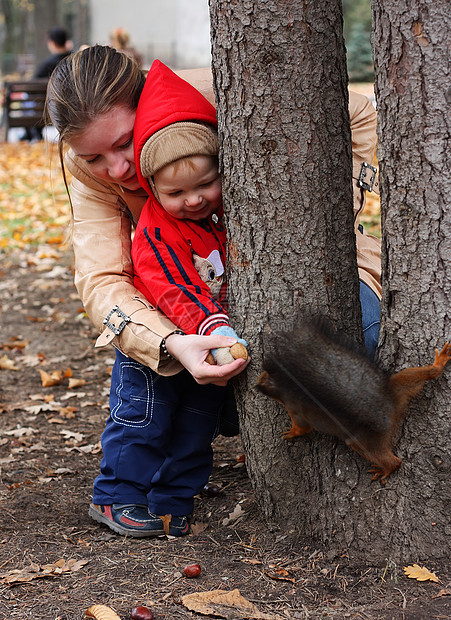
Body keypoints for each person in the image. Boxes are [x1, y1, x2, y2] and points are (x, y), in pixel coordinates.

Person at [45, 45, 381, 535]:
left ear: (147, 104)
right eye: (93, 156)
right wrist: (169, 342)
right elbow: (102, 279)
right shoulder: (89, 174)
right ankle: (155, 478)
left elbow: (358, 110)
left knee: (359, 343)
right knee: (167, 380)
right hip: (195, 298)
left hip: (320, 266)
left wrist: (320, 219)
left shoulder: (215, 91)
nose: (117, 169)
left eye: (123, 143)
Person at [88, 60, 248, 539]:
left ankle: (173, 500)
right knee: (143, 421)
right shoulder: (158, 230)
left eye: (205, 185)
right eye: (177, 192)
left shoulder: (219, 223)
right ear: (152, 187)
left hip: (209, 345)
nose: (195, 200)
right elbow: (174, 287)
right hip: (160, 343)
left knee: (196, 429)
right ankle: (117, 495)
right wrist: (214, 328)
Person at [21, 26, 72, 141]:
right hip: (71, 108)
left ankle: (32, 133)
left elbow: (31, 86)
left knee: (27, 98)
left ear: (52, 43)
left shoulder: (47, 63)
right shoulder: (73, 60)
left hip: (47, 110)